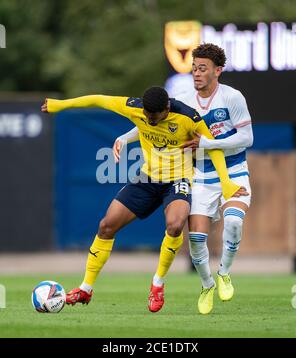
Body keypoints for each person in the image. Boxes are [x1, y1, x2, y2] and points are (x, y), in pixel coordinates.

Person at [41, 86, 245, 313]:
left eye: (153, 116)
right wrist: (60, 105)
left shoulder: (189, 117)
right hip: (147, 178)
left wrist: (226, 183)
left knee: (176, 225)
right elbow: (98, 99)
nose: (149, 119)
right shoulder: (136, 108)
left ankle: (158, 283)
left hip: (178, 180)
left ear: (166, 109)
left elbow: (214, 148)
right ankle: (86, 288)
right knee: (106, 225)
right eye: (146, 114)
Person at [113, 43, 253, 315]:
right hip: (199, 175)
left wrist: (208, 143)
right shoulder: (183, 98)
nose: (197, 73)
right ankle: (207, 284)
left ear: (218, 71)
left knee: (234, 223)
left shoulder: (233, 98)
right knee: (197, 239)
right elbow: (153, 121)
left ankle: (224, 273)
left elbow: (247, 138)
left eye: (203, 68)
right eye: (194, 68)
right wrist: (125, 137)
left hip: (234, 170)